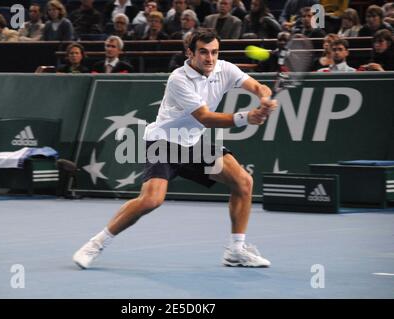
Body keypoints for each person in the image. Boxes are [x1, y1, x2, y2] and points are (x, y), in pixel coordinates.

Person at [73, 29, 277, 269]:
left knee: (243, 182)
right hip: (164, 142)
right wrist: (246, 117)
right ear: (190, 53)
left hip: (193, 144)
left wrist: (264, 98)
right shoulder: (178, 78)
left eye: (214, 52)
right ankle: (95, 244)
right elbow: (205, 117)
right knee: (151, 200)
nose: (210, 58)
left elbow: (258, 86)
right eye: (203, 52)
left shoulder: (225, 69)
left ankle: (236, 251)